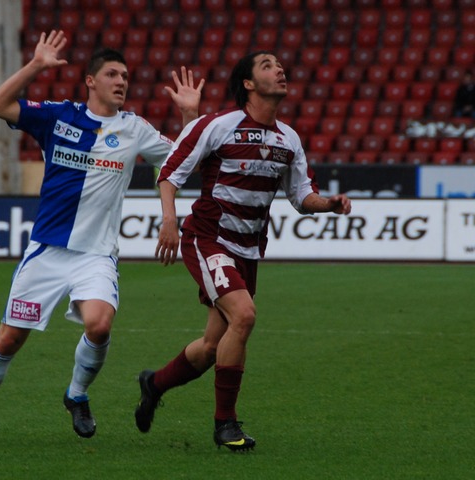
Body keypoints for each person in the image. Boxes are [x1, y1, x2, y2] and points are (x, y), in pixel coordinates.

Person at [0, 30, 204, 442]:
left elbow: (185, 162)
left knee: (99, 326)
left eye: (125, 76)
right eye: (113, 74)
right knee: (9, 339)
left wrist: (190, 117)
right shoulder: (58, 116)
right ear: (90, 81)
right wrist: (36, 65)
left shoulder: (134, 129)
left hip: (95, 255)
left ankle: (76, 394)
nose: (121, 81)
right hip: (47, 250)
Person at [134, 51, 352, 452]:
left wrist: (329, 204)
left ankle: (155, 384)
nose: (280, 69)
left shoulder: (289, 139)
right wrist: (168, 220)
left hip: (248, 250)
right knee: (245, 316)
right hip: (208, 239)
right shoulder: (220, 125)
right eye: (267, 65)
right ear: (248, 84)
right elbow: (170, 173)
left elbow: (302, 196)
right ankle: (225, 424)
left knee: (211, 347)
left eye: (280, 64)